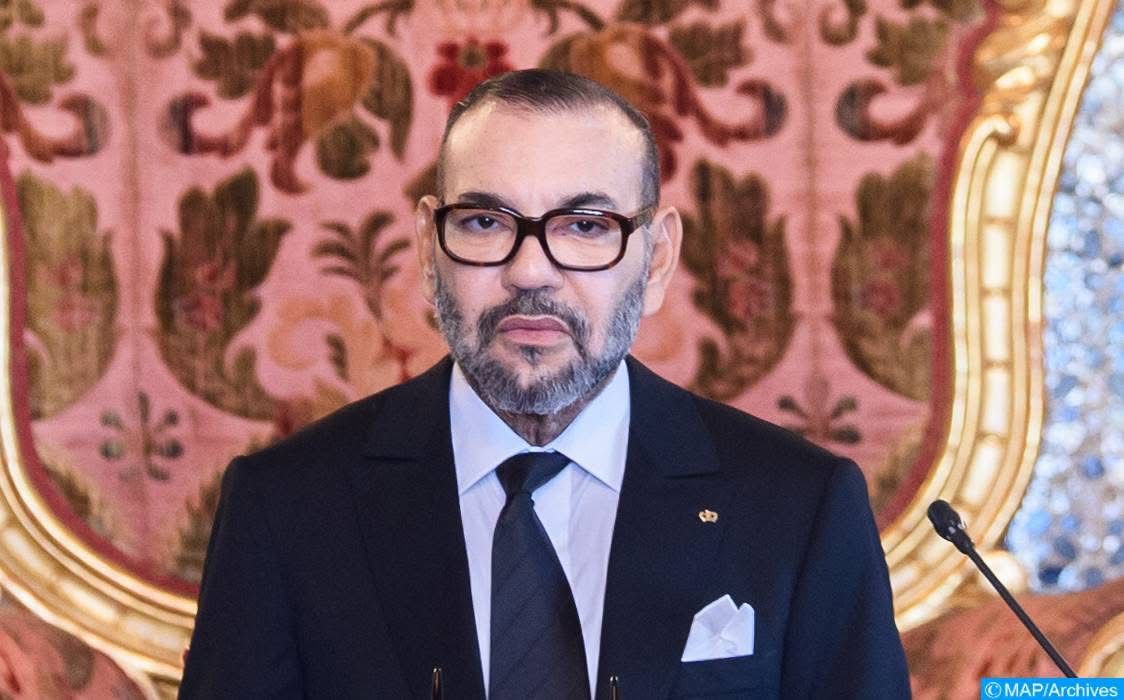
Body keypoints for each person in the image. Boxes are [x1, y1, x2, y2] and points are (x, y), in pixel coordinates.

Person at [180, 69, 911, 699]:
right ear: (430, 250)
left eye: (585, 226)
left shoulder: (799, 507)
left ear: (656, 259)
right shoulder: (286, 507)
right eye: (484, 222)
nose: (530, 271)